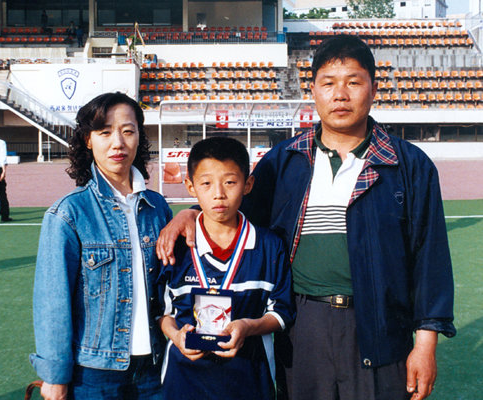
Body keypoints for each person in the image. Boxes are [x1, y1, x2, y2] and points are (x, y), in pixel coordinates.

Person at [156, 34, 456, 400]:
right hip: (302, 326)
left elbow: (430, 259)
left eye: (353, 82)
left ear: (374, 89)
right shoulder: (284, 161)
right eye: (328, 84)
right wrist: (188, 214)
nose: (340, 95)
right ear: (312, 89)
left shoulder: (408, 165)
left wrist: (425, 344)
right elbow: (231, 207)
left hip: (379, 326)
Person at [30, 92, 172, 400]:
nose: (118, 143)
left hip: (154, 367)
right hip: (94, 373)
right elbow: (53, 301)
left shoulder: (158, 207)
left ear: (139, 137)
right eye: (105, 132)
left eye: (128, 131)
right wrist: (55, 376)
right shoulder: (68, 213)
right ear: (88, 140)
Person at [157, 137, 295, 400]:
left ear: (248, 184)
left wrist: (247, 326)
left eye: (230, 182)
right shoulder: (176, 246)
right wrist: (176, 336)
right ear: (190, 186)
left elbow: (282, 313)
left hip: (248, 380)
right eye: (206, 183)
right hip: (184, 381)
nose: (218, 193)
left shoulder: (270, 245)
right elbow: (162, 313)